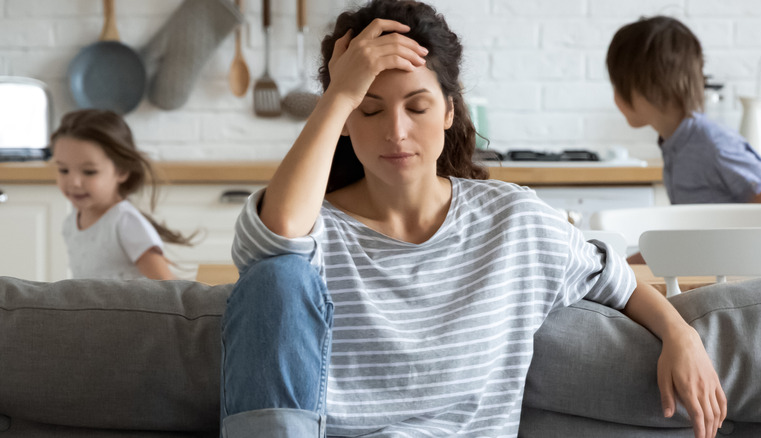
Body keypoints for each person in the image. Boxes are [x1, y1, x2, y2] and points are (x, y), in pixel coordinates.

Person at [221, 1, 726, 437]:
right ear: (346, 121)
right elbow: (278, 237)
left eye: (417, 106)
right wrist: (339, 93)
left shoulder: (512, 222)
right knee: (275, 274)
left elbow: (616, 280)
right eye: (369, 110)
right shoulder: (313, 227)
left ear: (448, 111)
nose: (396, 132)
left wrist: (683, 337)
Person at [607, 15, 761, 205]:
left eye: (618, 84)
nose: (615, 94)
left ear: (651, 87)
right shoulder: (674, 143)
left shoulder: (715, 145)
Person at [50, 109, 195, 280]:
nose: (73, 182)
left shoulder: (126, 223)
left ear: (122, 171)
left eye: (89, 172)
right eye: (63, 170)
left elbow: (169, 288)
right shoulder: (71, 222)